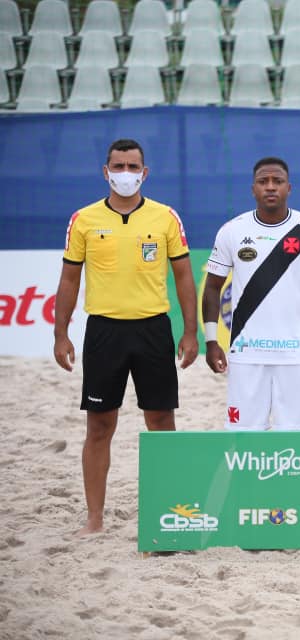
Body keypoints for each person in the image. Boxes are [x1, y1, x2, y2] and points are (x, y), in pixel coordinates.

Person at [53, 138, 198, 535]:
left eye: (133, 167)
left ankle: (170, 510)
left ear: (144, 173)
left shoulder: (165, 217)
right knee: (100, 426)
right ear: (106, 172)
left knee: (161, 421)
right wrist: (61, 334)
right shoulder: (83, 219)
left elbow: (184, 275)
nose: (126, 174)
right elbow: (69, 279)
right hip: (104, 331)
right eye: (118, 166)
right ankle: (95, 519)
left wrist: (190, 331)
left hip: (153, 329)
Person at [202, 157, 300, 430]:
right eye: (263, 181)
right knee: (243, 435)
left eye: (278, 181)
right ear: (253, 189)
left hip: (297, 354)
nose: (271, 187)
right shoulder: (232, 231)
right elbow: (213, 287)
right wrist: (211, 341)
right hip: (246, 352)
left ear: (289, 187)